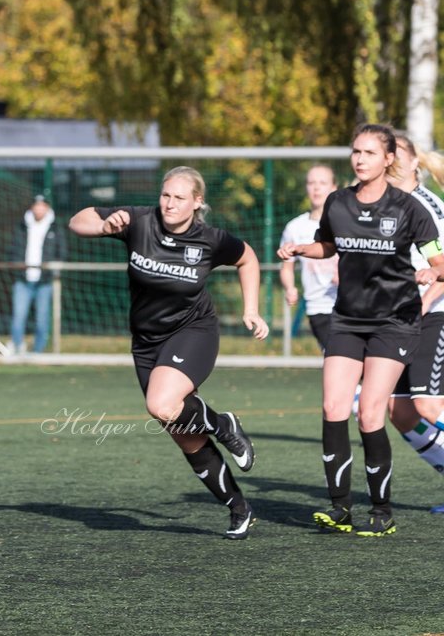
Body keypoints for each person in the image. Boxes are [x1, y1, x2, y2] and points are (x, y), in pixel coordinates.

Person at [69, 166, 269, 540]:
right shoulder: (140, 221)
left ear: (197, 202)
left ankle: (224, 425)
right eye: (165, 195)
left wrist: (251, 309)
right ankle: (239, 508)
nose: (170, 204)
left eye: (179, 197)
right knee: (184, 434)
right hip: (146, 342)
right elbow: (78, 221)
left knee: (161, 404)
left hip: (193, 332)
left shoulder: (210, 239)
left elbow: (248, 258)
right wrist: (103, 225)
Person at [278, 124, 444, 538]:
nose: (360, 159)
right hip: (348, 319)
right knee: (335, 407)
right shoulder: (339, 202)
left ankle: (382, 511)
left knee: (372, 412)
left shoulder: (409, 208)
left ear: (388, 159)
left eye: (369, 153)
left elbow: (440, 261)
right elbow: (328, 246)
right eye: (356, 151)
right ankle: (339, 509)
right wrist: (303, 250)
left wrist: (431, 269)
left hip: (395, 321)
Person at [383, 133, 444, 505]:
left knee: (427, 405)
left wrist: (420, 304)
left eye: (397, 154)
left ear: (413, 162)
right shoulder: (387, 206)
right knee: (400, 410)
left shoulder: (430, 208)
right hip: (400, 320)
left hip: (435, 313)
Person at [279, 165, 339, 351]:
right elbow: (286, 266)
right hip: (319, 306)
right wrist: (290, 288)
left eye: (322, 183)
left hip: (351, 304)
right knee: (336, 358)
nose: (316, 188)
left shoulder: (345, 222)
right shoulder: (295, 227)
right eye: (311, 183)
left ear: (334, 187)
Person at [11, 194, 66, 354]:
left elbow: (61, 252)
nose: (39, 209)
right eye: (36, 205)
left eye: (43, 206)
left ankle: (38, 351)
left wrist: (52, 269)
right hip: (23, 279)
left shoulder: (55, 227)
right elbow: (14, 249)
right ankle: (17, 348)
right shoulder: (22, 226)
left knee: (42, 319)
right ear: (32, 207)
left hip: (45, 281)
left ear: (48, 208)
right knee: (18, 316)